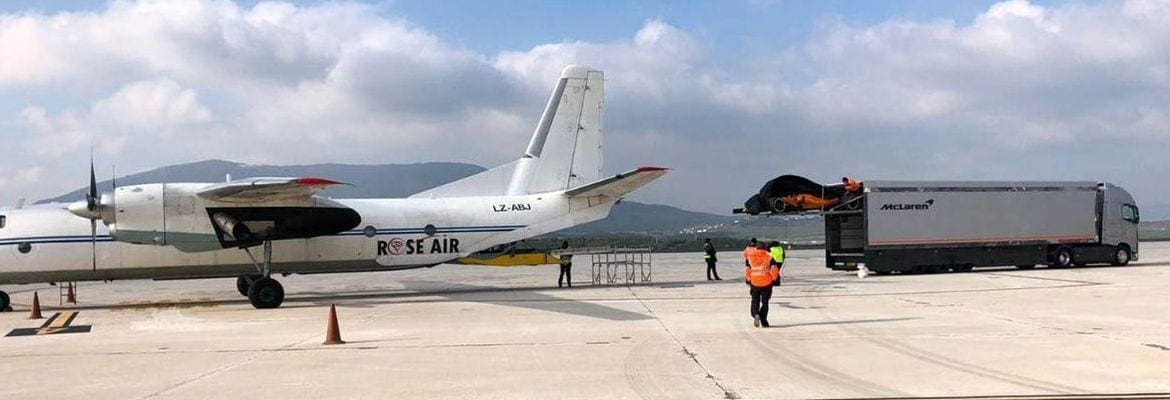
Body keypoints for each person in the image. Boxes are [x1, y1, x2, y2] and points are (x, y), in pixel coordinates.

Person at [744, 242, 780, 328]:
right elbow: (774, 269)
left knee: (755, 300)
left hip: (755, 282)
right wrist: (774, 279)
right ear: (764, 248)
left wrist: (749, 279)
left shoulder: (750, 257)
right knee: (765, 302)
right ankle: (764, 321)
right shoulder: (769, 257)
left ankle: (755, 313)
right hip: (767, 282)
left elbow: (747, 270)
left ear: (756, 248)